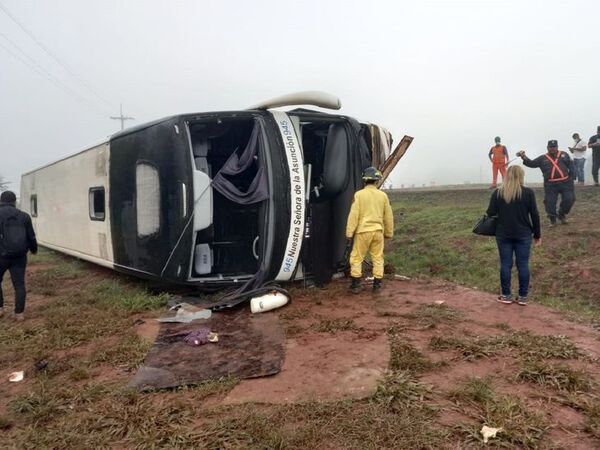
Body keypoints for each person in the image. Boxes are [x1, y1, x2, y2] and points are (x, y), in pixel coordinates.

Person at [486, 166, 541, 305]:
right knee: (522, 264)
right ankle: (522, 297)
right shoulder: (528, 192)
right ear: (521, 176)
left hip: (503, 234)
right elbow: (534, 214)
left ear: (507, 176)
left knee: (505, 264)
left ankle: (506, 295)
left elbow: (490, 212)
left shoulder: (498, 193)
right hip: (523, 234)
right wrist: (537, 234)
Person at [346, 167, 394, 293]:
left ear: (364, 180)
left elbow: (353, 215)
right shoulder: (383, 196)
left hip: (363, 232)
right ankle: (377, 286)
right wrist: (389, 232)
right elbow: (388, 216)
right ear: (377, 180)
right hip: (378, 231)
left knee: (356, 257)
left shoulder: (359, 195)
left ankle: (356, 285)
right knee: (378, 257)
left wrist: (349, 232)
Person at [517, 140, 575, 226]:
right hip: (551, 185)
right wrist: (523, 157)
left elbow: (571, 165)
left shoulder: (564, 155)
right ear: (547, 148)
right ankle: (552, 220)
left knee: (569, 199)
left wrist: (571, 178)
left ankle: (561, 214)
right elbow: (531, 163)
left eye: (554, 147)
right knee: (550, 202)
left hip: (565, 182)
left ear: (557, 147)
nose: (552, 149)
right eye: (551, 147)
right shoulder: (542, 158)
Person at [0, 190, 37, 321]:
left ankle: (0, 308)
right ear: (14, 201)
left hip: (1, 256)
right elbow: (31, 236)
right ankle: (19, 314)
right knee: (19, 284)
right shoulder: (24, 216)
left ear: (1, 201)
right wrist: (33, 249)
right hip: (19, 256)